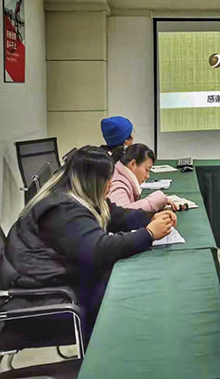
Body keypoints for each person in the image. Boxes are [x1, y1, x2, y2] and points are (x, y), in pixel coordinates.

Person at [0, 146, 176, 344]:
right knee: (126, 300)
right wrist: (149, 234)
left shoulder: (77, 195)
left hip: (56, 285)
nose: (111, 185)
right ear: (92, 181)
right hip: (43, 300)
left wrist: (149, 218)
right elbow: (98, 250)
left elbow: (115, 215)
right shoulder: (62, 210)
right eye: (107, 180)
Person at [108, 143, 178, 211]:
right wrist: (158, 200)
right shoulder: (117, 183)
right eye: (146, 170)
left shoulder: (120, 175)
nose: (147, 176)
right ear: (133, 164)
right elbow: (124, 212)